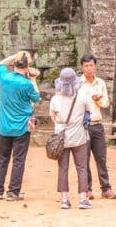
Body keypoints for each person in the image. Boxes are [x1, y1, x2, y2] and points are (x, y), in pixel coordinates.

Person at [0, 51, 41, 201]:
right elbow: (36, 97)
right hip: (21, 127)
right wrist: (33, 79)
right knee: (18, 160)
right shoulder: (26, 84)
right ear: (27, 67)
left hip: (4, 127)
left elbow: (1, 64)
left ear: (15, 64)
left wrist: (15, 56)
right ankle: (13, 191)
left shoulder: (5, 78)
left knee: (3, 158)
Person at [50, 67, 91, 210]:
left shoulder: (55, 99)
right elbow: (88, 110)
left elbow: (53, 117)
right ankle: (83, 199)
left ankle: (64, 199)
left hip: (62, 138)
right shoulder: (82, 96)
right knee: (82, 167)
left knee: (63, 168)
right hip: (79, 137)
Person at [79, 53, 116, 199]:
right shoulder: (78, 83)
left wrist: (98, 100)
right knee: (84, 158)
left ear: (95, 66)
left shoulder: (100, 83)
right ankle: (87, 189)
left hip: (97, 124)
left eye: (91, 65)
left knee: (101, 158)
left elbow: (107, 103)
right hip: (83, 125)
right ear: (82, 67)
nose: (89, 68)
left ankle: (106, 188)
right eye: (86, 65)